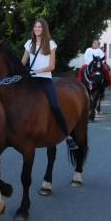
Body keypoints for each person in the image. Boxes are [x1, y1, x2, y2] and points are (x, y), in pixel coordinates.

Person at [22, 19, 77, 149]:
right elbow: (22, 62)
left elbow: (52, 66)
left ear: (44, 29)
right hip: (31, 81)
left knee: (55, 105)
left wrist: (37, 70)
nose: (37, 29)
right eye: (35, 26)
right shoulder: (29, 43)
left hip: (45, 80)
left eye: (39, 27)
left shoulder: (51, 44)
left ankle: (67, 135)